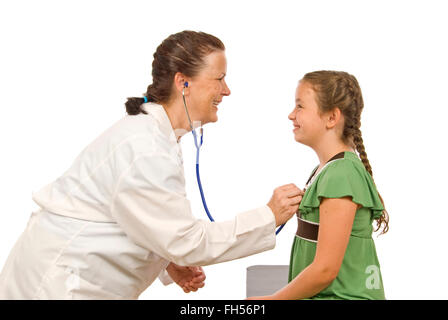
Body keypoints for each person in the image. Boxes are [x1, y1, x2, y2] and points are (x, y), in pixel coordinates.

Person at [0, 30, 303, 299]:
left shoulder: (154, 137)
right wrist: (269, 215)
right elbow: (186, 241)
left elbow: (133, 217)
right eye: (219, 79)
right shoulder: (146, 148)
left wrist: (169, 260)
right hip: (59, 285)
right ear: (183, 82)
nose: (227, 91)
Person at [248, 70, 389, 300]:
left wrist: (272, 301)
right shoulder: (327, 171)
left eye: (300, 106)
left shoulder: (341, 175)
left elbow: (325, 270)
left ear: (332, 118)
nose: (291, 115)